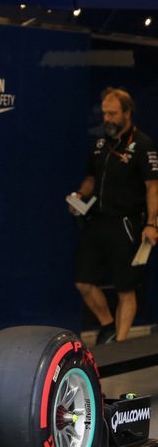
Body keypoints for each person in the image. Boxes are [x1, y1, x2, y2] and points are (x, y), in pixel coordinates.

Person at [70, 87, 158, 343]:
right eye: (104, 113)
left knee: (125, 289)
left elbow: (154, 187)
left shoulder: (143, 145)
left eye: (112, 113)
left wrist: (152, 224)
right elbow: (90, 180)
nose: (107, 119)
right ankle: (108, 325)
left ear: (127, 113)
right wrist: (79, 196)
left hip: (127, 224)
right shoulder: (99, 144)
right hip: (97, 222)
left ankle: (119, 345)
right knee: (84, 283)